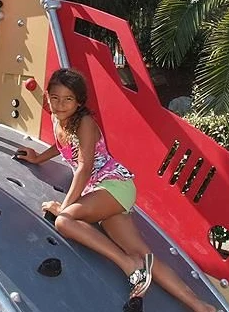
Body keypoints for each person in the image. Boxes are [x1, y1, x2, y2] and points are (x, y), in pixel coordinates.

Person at [16, 68, 216, 311]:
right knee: (143, 253)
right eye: (55, 98)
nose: (60, 104)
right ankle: (201, 306)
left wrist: (64, 207)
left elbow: (84, 168)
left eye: (68, 99)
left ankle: (128, 265)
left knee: (64, 221)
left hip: (113, 185)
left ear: (79, 102)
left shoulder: (85, 122)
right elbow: (63, 146)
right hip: (104, 191)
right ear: (47, 97)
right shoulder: (59, 118)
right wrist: (38, 158)